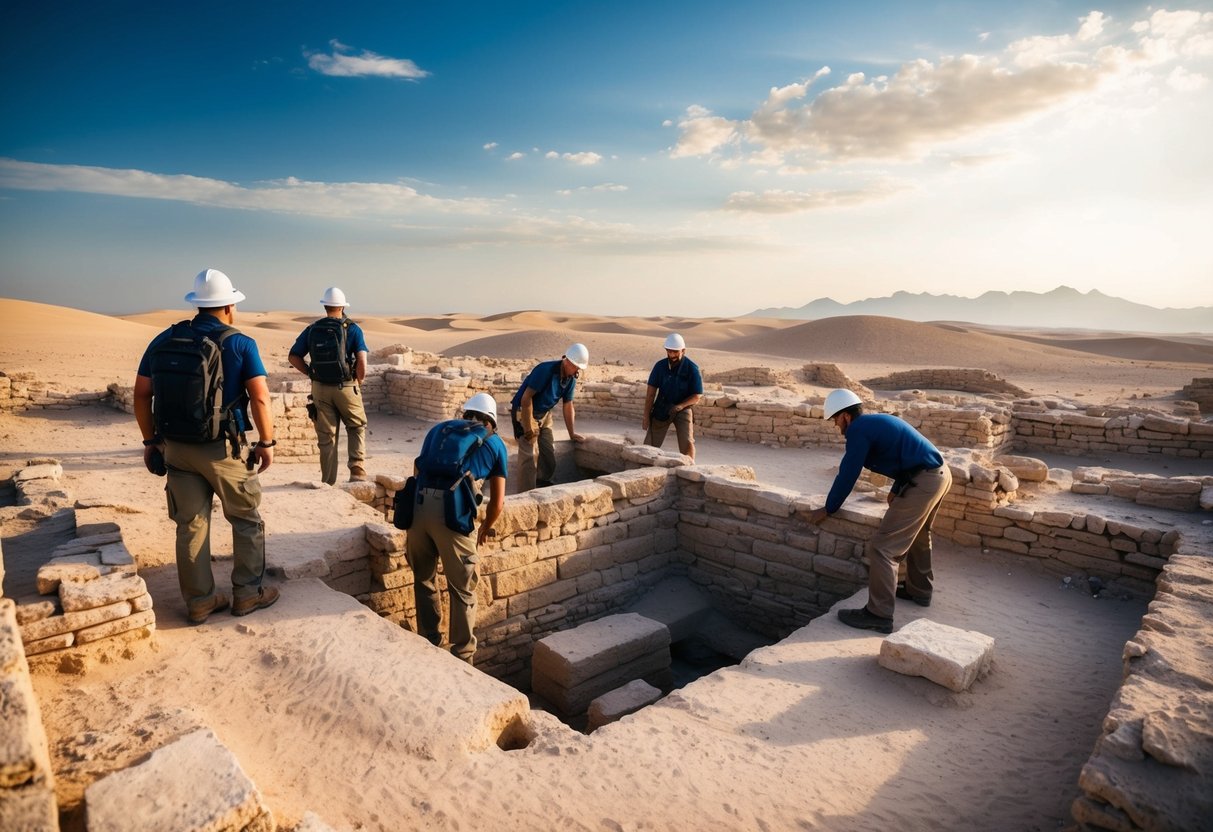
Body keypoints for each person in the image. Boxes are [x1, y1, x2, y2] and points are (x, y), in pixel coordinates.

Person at [134, 268, 279, 624]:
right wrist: (267, 442)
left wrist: (151, 440)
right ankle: (247, 594)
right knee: (245, 519)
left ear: (197, 305)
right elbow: (260, 398)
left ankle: (200, 601)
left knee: (191, 524)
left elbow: (141, 394)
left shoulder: (164, 340)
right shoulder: (241, 343)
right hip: (223, 448)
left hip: (177, 447)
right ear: (229, 305)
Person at [807, 389, 952, 634]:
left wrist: (829, 508)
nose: (836, 427)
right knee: (918, 534)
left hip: (925, 479)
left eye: (835, 420)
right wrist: (897, 487)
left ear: (845, 417)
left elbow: (848, 473)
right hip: (938, 474)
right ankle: (919, 591)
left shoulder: (858, 430)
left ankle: (879, 614)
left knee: (884, 548)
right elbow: (907, 453)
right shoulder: (873, 423)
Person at [406, 393, 508, 664]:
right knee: (462, 588)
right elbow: (497, 502)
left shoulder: (439, 431)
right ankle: (463, 656)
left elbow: (418, 467)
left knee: (424, 579)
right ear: (492, 422)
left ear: (466, 414)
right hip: (452, 515)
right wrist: (485, 526)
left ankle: (429, 643)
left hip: (417, 510)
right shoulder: (495, 443)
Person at [288, 287, 370, 484]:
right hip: (346, 386)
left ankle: (328, 480)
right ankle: (357, 470)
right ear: (342, 306)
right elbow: (362, 361)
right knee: (356, 426)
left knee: (327, 437)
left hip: (320, 389)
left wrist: (311, 373)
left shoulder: (312, 329)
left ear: (325, 306)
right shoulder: (352, 329)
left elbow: (293, 356)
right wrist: (358, 380)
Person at [509, 343, 588, 490]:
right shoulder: (545, 370)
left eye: (579, 368)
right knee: (529, 455)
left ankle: (542, 481)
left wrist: (572, 433)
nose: (577, 370)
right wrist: (528, 426)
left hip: (545, 414)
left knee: (549, 454)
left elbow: (568, 405)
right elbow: (526, 399)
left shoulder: (571, 379)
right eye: (576, 366)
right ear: (567, 361)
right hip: (525, 410)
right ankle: (527, 493)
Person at [642, 333, 703, 461]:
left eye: (675, 352)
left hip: (683, 407)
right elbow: (650, 394)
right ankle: (644, 464)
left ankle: (689, 467)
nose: (672, 355)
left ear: (683, 351)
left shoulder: (692, 368)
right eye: (669, 351)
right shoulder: (660, 366)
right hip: (662, 407)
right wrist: (646, 417)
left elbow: (697, 396)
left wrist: (680, 406)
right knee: (650, 443)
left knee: (688, 441)